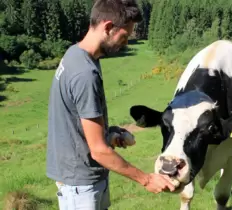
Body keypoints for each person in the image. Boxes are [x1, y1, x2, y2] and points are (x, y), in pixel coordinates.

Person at [45, 0, 176, 209]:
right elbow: (98, 150)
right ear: (108, 27)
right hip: (81, 184)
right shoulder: (84, 73)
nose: (125, 43)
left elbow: (78, 122)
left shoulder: (76, 55)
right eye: (124, 36)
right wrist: (147, 179)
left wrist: (109, 133)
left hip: (82, 176)